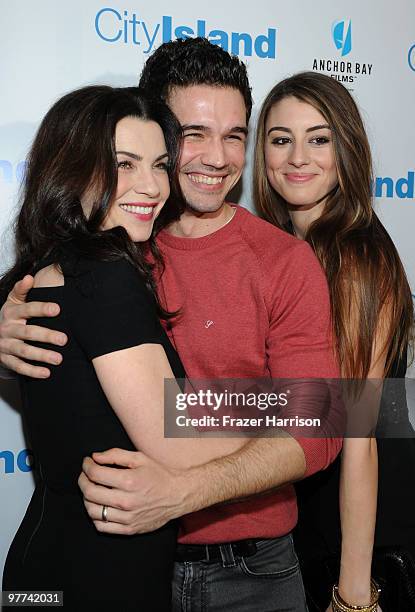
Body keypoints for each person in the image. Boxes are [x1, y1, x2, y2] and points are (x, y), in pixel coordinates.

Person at [0, 39, 343, 611]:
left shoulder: (283, 261)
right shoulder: (112, 243)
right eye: (193, 134)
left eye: (235, 135)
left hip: (250, 573)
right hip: (114, 564)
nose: (217, 157)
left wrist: (182, 491)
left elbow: (324, 424)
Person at [0, 85, 252, 611]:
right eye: (124, 164)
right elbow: (176, 441)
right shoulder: (107, 275)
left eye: (160, 165)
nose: (151, 186)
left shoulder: (44, 271)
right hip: (98, 578)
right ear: (73, 169)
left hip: (37, 578)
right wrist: (301, 410)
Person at [253, 71, 414, 611]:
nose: (298, 157)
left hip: (363, 527)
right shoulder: (287, 250)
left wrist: (354, 593)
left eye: (318, 139)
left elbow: (358, 433)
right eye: (281, 139)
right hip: (311, 505)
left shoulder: (357, 257)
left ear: (346, 150)